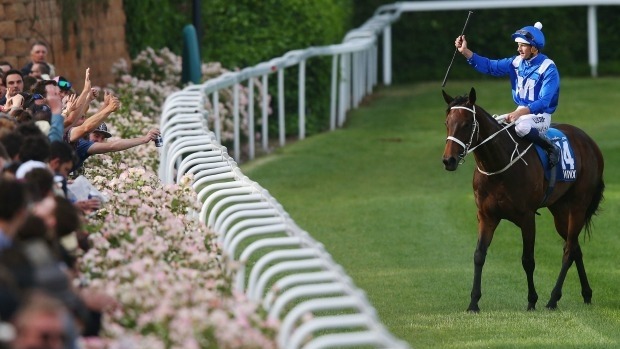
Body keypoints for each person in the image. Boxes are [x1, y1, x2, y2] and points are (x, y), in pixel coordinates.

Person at [455, 21, 561, 167]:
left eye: (523, 45)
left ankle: (551, 148)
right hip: (521, 111)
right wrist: (465, 52)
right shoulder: (516, 62)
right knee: (493, 125)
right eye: (518, 45)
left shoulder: (548, 68)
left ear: (534, 48)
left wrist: (520, 113)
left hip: (541, 116)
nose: (519, 49)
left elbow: (544, 101)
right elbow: (490, 66)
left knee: (522, 127)